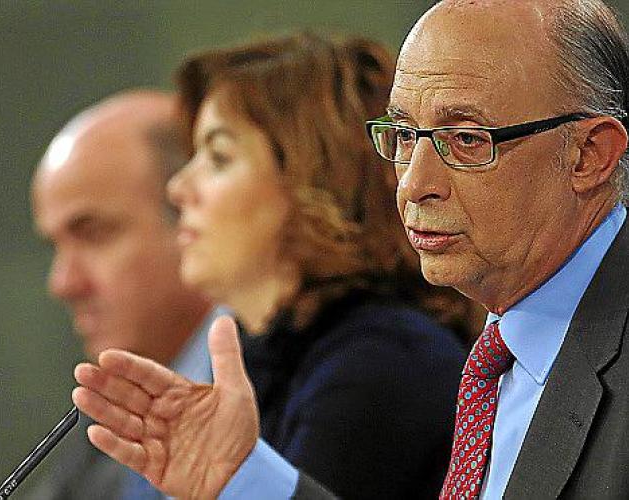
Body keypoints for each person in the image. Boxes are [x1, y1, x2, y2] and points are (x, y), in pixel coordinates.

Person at [73, 0, 629, 496]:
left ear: (589, 156)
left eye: (466, 139)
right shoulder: (498, 359)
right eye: (404, 136)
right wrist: (243, 482)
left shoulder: (386, 365)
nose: (412, 184)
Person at [73, 33, 470, 500]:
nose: (179, 188)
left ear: (314, 180)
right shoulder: (261, 357)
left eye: (218, 157)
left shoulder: (384, 363)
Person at [27, 90, 214, 499]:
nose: (63, 283)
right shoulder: (100, 438)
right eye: (55, 246)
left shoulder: (304, 392)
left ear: (194, 215)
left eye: (92, 234)